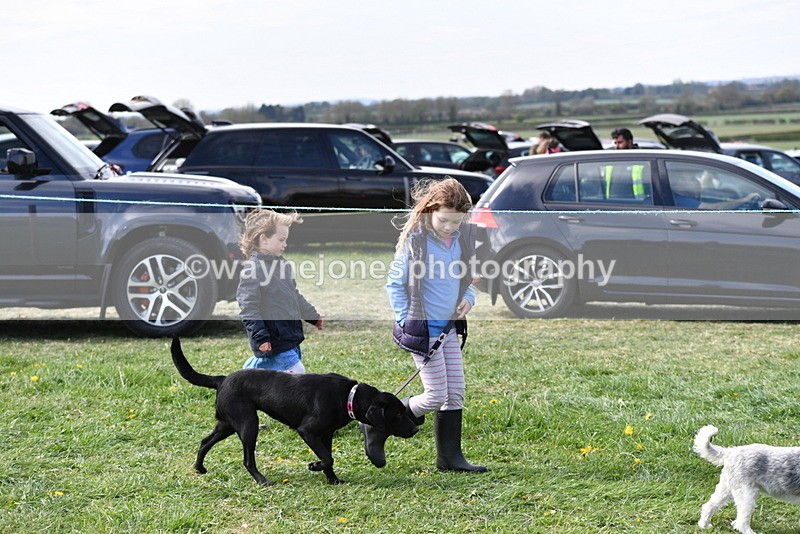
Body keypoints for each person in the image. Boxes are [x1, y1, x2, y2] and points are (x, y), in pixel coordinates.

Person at [360, 177, 488, 473]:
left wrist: (468, 299)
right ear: (430, 210)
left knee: (455, 392)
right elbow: (394, 284)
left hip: (448, 330)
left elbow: (468, 280)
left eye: (456, 222)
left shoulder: (462, 239)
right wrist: (407, 321)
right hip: (423, 331)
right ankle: (377, 425)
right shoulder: (416, 242)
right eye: (444, 220)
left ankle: (450, 458)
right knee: (435, 395)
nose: (449, 227)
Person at [236, 209, 324, 374]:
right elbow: (248, 308)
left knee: (270, 370)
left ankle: (246, 375)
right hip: (272, 339)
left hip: (289, 335)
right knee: (296, 371)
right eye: (281, 240)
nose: (285, 244)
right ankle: (245, 376)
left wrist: (313, 316)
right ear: (264, 239)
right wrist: (260, 337)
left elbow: (295, 295)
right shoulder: (253, 270)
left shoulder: (283, 266)